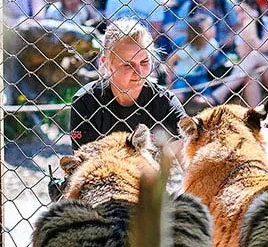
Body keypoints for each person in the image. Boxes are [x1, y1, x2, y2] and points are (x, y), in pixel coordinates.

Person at [70, 19, 186, 150]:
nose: (139, 72)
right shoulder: (86, 101)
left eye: (144, 62)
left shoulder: (165, 101)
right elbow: (86, 159)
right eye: (128, 65)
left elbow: (185, 155)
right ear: (106, 63)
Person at [207, 0, 268, 106]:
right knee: (250, 73)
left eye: (243, 11)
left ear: (254, 10)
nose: (240, 16)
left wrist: (251, 24)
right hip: (261, 76)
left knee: (254, 55)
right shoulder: (242, 31)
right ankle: (255, 114)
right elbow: (244, 59)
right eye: (237, 13)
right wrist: (245, 32)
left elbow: (262, 48)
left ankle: (221, 93)